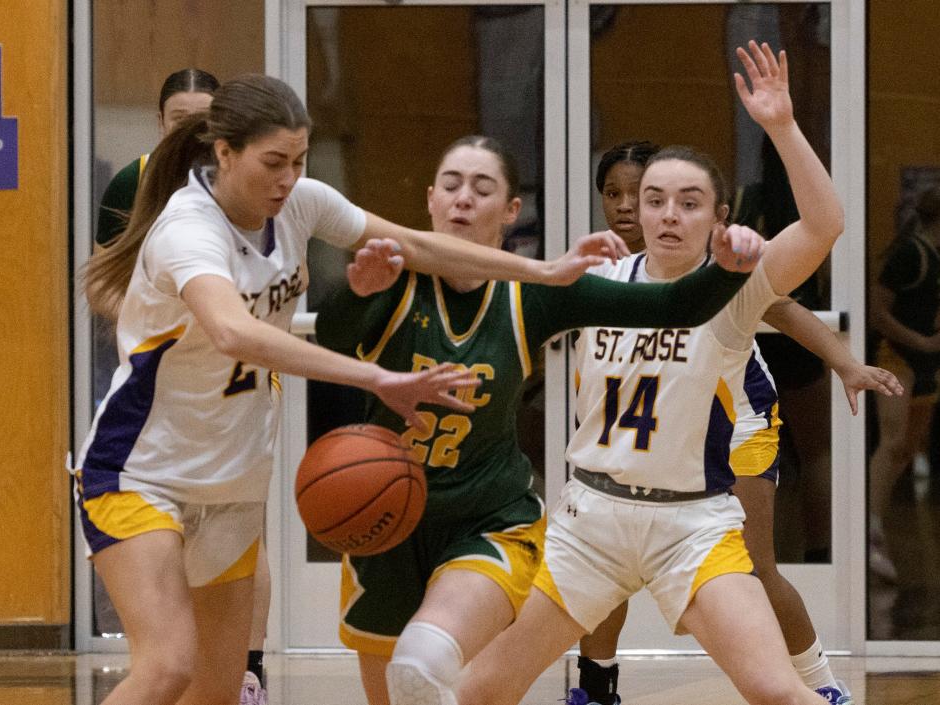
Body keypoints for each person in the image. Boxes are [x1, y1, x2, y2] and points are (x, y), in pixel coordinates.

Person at [73, 74, 634, 705]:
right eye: (272, 163)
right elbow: (232, 333)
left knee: (218, 690)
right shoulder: (187, 230)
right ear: (224, 154)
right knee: (167, 667)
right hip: (140, 473)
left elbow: (419, 245)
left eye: (299, 161)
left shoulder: (302, 204)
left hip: (232, 478)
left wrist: (542, 271)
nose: (288, 179)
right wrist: (378, 377)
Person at [456, 41, 844, 705]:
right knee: (476, 690)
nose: (668, 214)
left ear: (719, 218)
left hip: (690, 529)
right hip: (591, 522)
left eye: (689, 202)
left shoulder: (732, 292)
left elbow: (824, 223)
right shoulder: (596, 280)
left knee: (773, 689)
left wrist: (778, 126)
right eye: (655, 199)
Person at [314, 134, 765, 705]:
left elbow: (671, 307)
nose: (462, 200)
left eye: (482, 189)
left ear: (509, 212)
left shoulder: (531, 294)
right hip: (388, 519)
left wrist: (726, 270)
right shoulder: (393, 279)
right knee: (411, 691)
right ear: (430, 200)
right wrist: (354, 293)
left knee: (422, 665)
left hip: (486, 518)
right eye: (451, 186)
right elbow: (331, 343)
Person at [571, 142, 900, 705]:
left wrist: (844, 361)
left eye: (640, 193)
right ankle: (595, 690)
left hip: (734, 426)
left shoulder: (721, 264)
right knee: (604, 564)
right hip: (643, 439)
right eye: (616, 194)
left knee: (753, 566)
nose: (627, 207)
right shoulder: (597, 271)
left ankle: (821, 684)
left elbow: (785, 306)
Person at [93, 67, 274, 705]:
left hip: (235, 398)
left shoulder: (264, 194)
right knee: (167, 661)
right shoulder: (140, 186)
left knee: (245, 534)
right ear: (161, 122)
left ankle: (248, 670)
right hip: (158, 394)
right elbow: (107, 277)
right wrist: (169, 319)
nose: (194, 130)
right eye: (181, 120)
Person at [869, 184, 940, 585]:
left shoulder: (934, 254)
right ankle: (868, 529)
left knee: (909, 451)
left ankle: (871, 522)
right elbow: (877, 311)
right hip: (896, 356)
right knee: (893, 442)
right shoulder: (909, 253)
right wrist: (921, 342)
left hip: (926, 364)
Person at [96, 68, 219, 247]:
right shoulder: (132, 179)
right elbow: (105, 268)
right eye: (180, 119)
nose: (191, 128)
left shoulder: (236, 179)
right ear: (161, 122)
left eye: (202, 118)